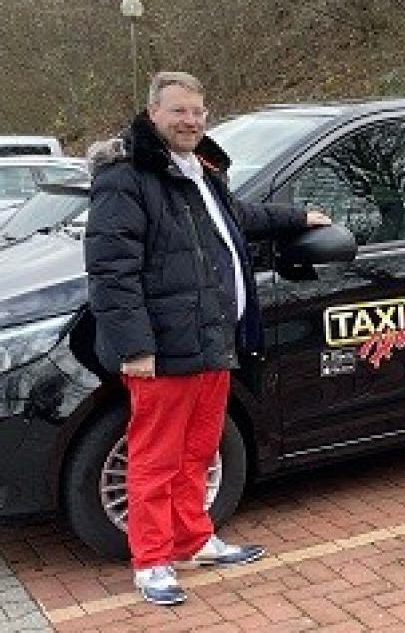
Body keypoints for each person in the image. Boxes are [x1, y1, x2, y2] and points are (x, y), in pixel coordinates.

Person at [84, 71, 331, 606]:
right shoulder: (126, 176)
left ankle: (195, 539)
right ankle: (151, 562)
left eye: (197, 111)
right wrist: (135, 347)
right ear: (153, 113)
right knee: (154, 457)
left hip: (214, 339)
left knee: (198, 449)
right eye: (179, 111)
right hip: (164, 349)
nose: (191, 121)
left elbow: (234, 218)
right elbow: (111, 271)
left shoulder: (201, 168)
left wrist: (295, 217)